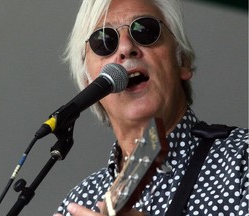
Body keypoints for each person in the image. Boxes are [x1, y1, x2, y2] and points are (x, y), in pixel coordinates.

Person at [54, 0, 248, 215]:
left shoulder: (242, 159)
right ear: (88, 83)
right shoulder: (79, 201)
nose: (126, 48)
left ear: (181, 60)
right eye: (104, 41)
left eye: (145, 30)